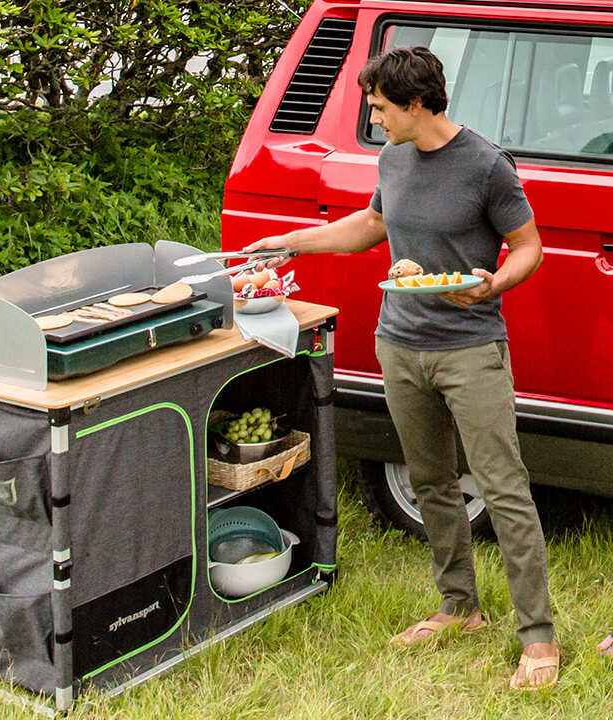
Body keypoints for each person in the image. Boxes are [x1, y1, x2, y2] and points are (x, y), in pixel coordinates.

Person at [237, 45, 557, 690]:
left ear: (415, 104)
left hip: (469, 348)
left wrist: (493, 284)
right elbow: (371, 226)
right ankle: (458, 605)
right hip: (400, 343)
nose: (374, 117)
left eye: (380, 106)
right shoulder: (393, 157)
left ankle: (538, 638)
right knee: (432, 480)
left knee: (503, 487)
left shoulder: (486, 166)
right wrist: (286, 239)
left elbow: (529, 247)